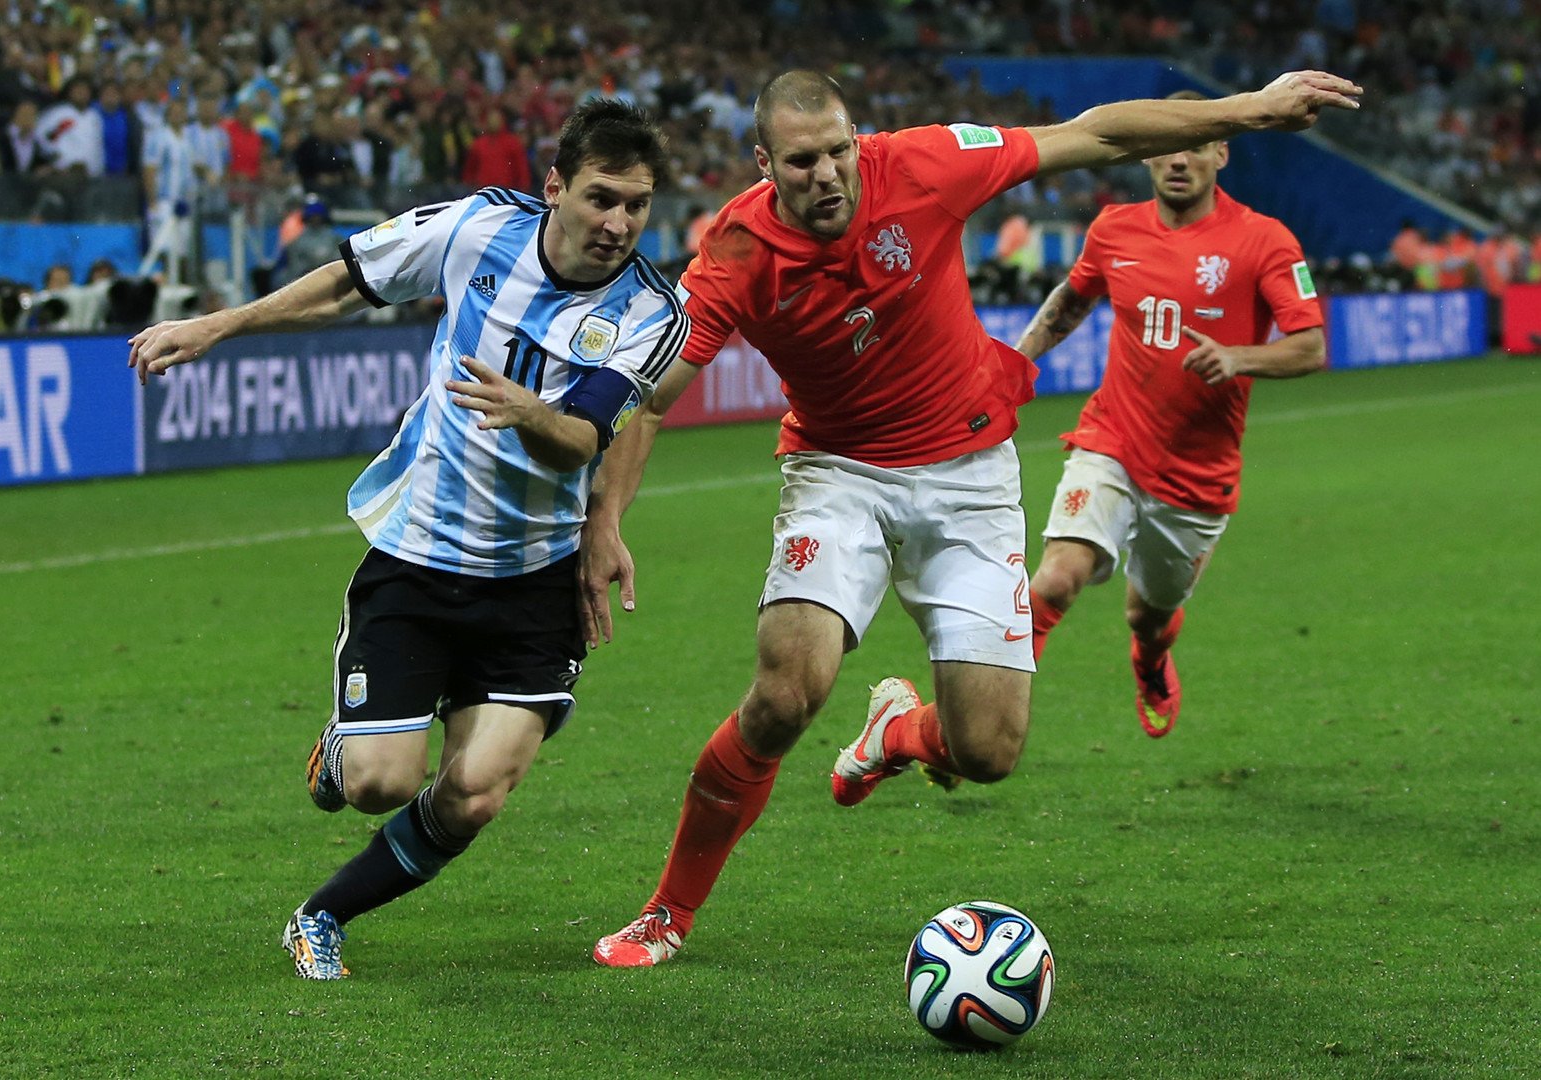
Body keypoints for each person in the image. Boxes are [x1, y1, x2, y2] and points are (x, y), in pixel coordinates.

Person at [579, 68, 1361, 967]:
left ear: (856, 138)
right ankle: (667, 913)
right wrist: (606, 521)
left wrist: (1249, 109)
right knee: (787, 693)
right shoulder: (737, 250)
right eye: (801, 162)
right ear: (764, 163)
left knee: (986, 751)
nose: (827, 174)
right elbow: (651, 396)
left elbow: (1095, 132)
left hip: (969, 476)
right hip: (840, 473)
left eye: (838, 151)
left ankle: (894, 731)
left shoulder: (925, 164)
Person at [126, 99, 687, 980]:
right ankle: (345, 747)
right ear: (555, 187)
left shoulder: (654, 311)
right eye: (601, 198)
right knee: (380, 784)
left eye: (637, 205)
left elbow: (581, 438)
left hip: (536, 579)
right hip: (421, 554)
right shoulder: (476, 229)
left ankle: (321, 915)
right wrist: (216, 325)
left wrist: (532, 415)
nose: (618, 223)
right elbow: (347, 282)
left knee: (475, 793)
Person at [1014, 90, 1328, 739]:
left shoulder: (1263, 240)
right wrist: (1015, 363)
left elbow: (1311, 346)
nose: (1179, 159)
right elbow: (1073, 299)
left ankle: (1151, 658)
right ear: (1148, 153)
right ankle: (982, 708)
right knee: (1057, 578)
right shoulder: (1113, 229)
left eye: (1196, 146)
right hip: (1112, 438)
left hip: (1197, 470)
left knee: (1146, 616)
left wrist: (1239, 357)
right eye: (1168, 146)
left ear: (1221, 153)